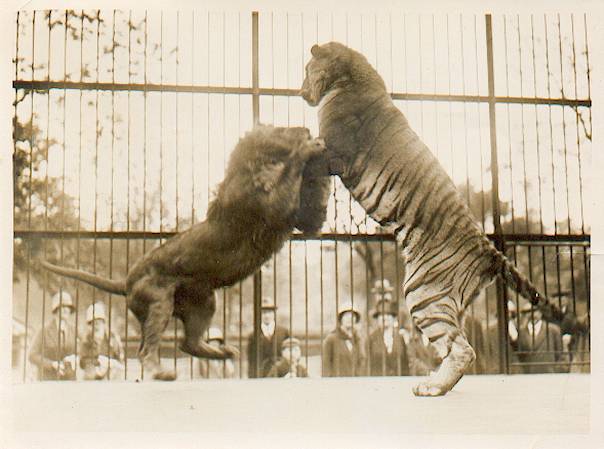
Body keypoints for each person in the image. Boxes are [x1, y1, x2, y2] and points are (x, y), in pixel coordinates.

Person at [29, 291, 78, 380]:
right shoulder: (44, 330)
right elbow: (32, 355)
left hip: (69, 380)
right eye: (62, 306)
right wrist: (52, 364)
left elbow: (79, 352)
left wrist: (75, 358)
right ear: (56, 309)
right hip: (48, 379)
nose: (65, 310)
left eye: (68, 307)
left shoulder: (74, 330)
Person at [509, 302, 565, 374]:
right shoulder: (521, 332)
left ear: (540, 312)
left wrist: (557, 371)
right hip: (528, 376)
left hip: (549, 374)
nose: (532, 314)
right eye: (528, 312)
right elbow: (519, 354)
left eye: (535, 311)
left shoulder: (553, 330)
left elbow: (560, 354)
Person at [79, 303, 125, 380]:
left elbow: (120, 360)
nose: (96, 326)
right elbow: (83, 362)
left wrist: (110, 364)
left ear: (103, 322)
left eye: (98, 322)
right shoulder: (86, 341)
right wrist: (98, 364)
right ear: (89, 325)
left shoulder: (113, 339)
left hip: (112, 375)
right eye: (92, 323)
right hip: (92, 377)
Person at [247, 297, 289, 378]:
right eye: (263, 312)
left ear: (274, 313)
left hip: (281, 375)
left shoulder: (283, 332)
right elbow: (251, 361)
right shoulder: (253, 335)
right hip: (261, 376)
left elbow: (288, 355)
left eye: (269, 312)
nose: (266, 315)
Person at [322, 301, 366, 377]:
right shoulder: (331, 339)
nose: (350, 318)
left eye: (353, 316)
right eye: (346, 315)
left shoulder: (359, 339)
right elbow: (326, 367)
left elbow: (362, 362)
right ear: (341, 318)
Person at [368, 298, 409, 376]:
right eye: (381, 315)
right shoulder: (372, 338)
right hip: (378, 382)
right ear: (377, 319)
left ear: (394, 318)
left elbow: (406, 363)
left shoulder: (400, 337)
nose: (384, 318)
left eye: (388, 314)